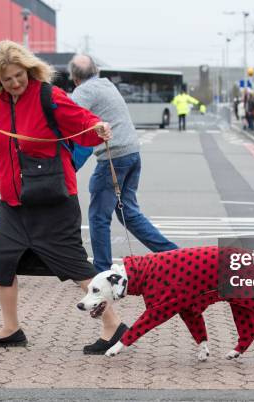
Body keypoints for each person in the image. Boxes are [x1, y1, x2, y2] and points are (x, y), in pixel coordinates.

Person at [0, 40, 126, 355]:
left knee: (75, 266)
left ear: (29, 69)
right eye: (7, 79)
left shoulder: (48, 95)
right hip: (13, 200)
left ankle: (113, 324)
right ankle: (10, 329)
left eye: (19, 75)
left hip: (53, 198)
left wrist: (99, 128)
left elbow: (83, 122)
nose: (15, 83)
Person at [67, 54, 178, 273]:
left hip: (113, 158)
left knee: (99, 216)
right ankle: (175, 256)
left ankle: (102, 270)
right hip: (132, 153)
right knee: (129, 214)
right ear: (96, 70)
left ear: (74, 78)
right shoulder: (107, 85)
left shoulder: (83, 92)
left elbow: (65, 116)